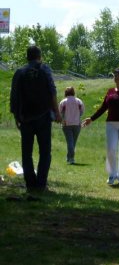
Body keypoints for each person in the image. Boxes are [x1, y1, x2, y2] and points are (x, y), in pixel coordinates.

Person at [10, 45, 62, 192]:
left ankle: (30, 184)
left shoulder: (20, 72)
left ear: (27, 57)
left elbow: (14, 96)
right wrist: (57, 113)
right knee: (45, 152)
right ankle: (41, 184)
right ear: (40, 57)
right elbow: (52, 91)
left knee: (26, 152)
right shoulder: (45, 69)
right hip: (43, 116)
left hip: (25, 118)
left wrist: (16, 116)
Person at [59, 86, 85, 164]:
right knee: (73, 142)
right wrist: (77, 116)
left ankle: (71, 158)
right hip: (77, 124)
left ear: (65, 93)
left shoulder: (63, 102)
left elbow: (60, 112)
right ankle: (70, 157)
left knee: (70, 142)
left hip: (66, 124)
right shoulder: (79, 101)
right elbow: (82, 111)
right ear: (73, 92)